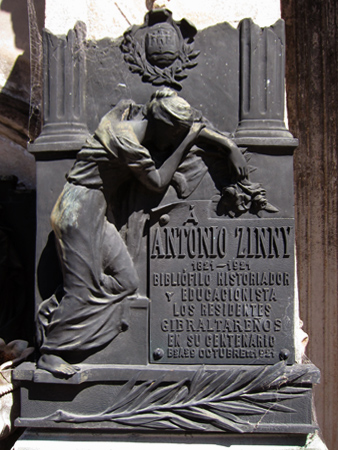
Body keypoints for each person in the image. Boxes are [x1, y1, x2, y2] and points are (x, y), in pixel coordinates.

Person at [36, 88, 248, 377]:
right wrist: (186, 142)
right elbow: (157, 181)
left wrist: (228, 145)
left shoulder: (131, 116)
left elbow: (195, 125)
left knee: (126, 281)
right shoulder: (126, 140)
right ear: (163, 127)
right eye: (173, 135)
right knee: (84, 289)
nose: (172, 141)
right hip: (78, 213)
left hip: (94, 212)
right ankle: (50, 351)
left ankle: (58, 311)